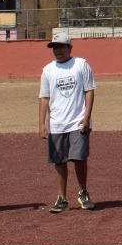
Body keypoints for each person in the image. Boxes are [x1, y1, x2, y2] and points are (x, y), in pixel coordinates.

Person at [39, 30, 96, 212]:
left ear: (70, 48)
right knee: (59, 161)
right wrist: (42, 123)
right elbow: (44, 97)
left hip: (78, 122)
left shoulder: (81, 64)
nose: (58, 51)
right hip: (57, 124)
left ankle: (83, 192)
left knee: (79, 158)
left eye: (61, 47)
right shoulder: (47, 71)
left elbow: (89, 91)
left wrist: (86, 117)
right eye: (54, 48)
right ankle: (62, 198)